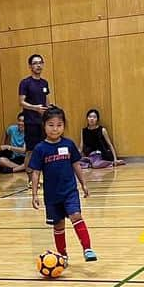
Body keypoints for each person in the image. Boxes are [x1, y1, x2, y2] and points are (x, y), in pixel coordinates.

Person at [29, 106, 96, 262]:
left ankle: (87, 248)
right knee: (58, 226)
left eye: (59, 125)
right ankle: (63, 256)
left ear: (64, 126)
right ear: (44, 126)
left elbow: (76, 165)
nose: (55, 129)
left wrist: (84, 184)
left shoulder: (68, 144)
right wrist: (34, 194)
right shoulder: (40, 149)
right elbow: (36, 172)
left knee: (76, 215)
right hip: (52, 196)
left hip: (70, 191)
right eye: (51, 125)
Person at [18, 53, 51, 186]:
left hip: (43, 122)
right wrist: (34, 108)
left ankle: (41, 176)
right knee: (31, 151)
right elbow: (22, 102)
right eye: (35, 63)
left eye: (40, 63)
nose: (38, 65)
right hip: (31, 121)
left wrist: (50, 109)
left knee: (43, 149)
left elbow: (47, 101)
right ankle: (31, 179)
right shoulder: (25, 83)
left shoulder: (44, 83)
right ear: (30, 66)